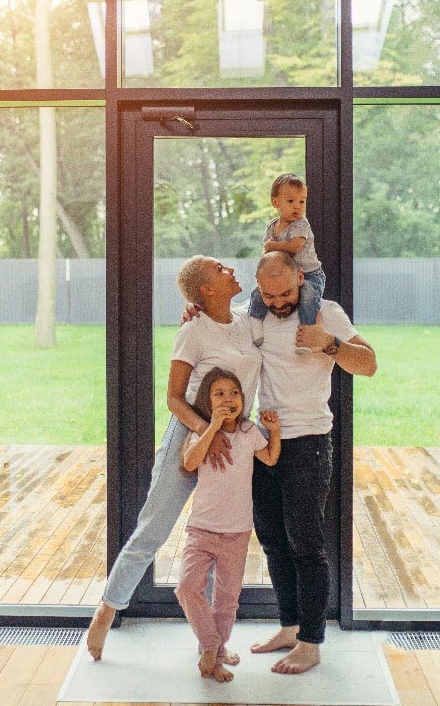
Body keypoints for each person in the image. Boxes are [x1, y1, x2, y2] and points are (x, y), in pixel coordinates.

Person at [86, 255, 262, 661]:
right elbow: (173, 398)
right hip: (192, 434)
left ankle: (214, 644)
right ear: (205, 289)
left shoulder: (247, 321)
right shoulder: (193, 331)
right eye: (221, 269)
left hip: (234, 438)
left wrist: (225, 432)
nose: (231, 270)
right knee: (153, 528)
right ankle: (106, 611)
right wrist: (206, 430)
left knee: (221, 535)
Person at [248, 251, 376, 674]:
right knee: (271, 539)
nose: (278, 301)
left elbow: (369, 364)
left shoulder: (326, 312)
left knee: (306, 543)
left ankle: (311, 642)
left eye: (285, 292)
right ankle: (289, 627)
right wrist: (192, 311)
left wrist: (329, 343)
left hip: (311, 441)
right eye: (269, 294)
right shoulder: (253, 313)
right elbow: (217, 327)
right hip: (267, 440)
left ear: (301, 277)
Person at [175, 367, 281, 683]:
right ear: (207, 402)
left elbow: (271, 459)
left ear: (243, 399)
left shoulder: (249, 434)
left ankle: (218, 654)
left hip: (237, 531)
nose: (228, 399)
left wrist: (273, 431)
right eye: (219, 394)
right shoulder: (199, 434)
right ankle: (210, 645)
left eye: (234, 393)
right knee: (187, 587)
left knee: (227, 599)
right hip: (202, 529)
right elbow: (189, 462)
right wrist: (213, 428)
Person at [248, 173, 325, 354]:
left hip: (308, 274)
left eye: (302, 201)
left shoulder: (300, 224)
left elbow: (294, 247)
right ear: (275, 203)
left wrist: (272, 246)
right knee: (258, 292)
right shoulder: (271, 227)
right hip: (285, 276)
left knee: (308, 295)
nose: (297, 207)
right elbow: (267, 255)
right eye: (291, 201)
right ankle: (256, 320)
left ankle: (307, 334)